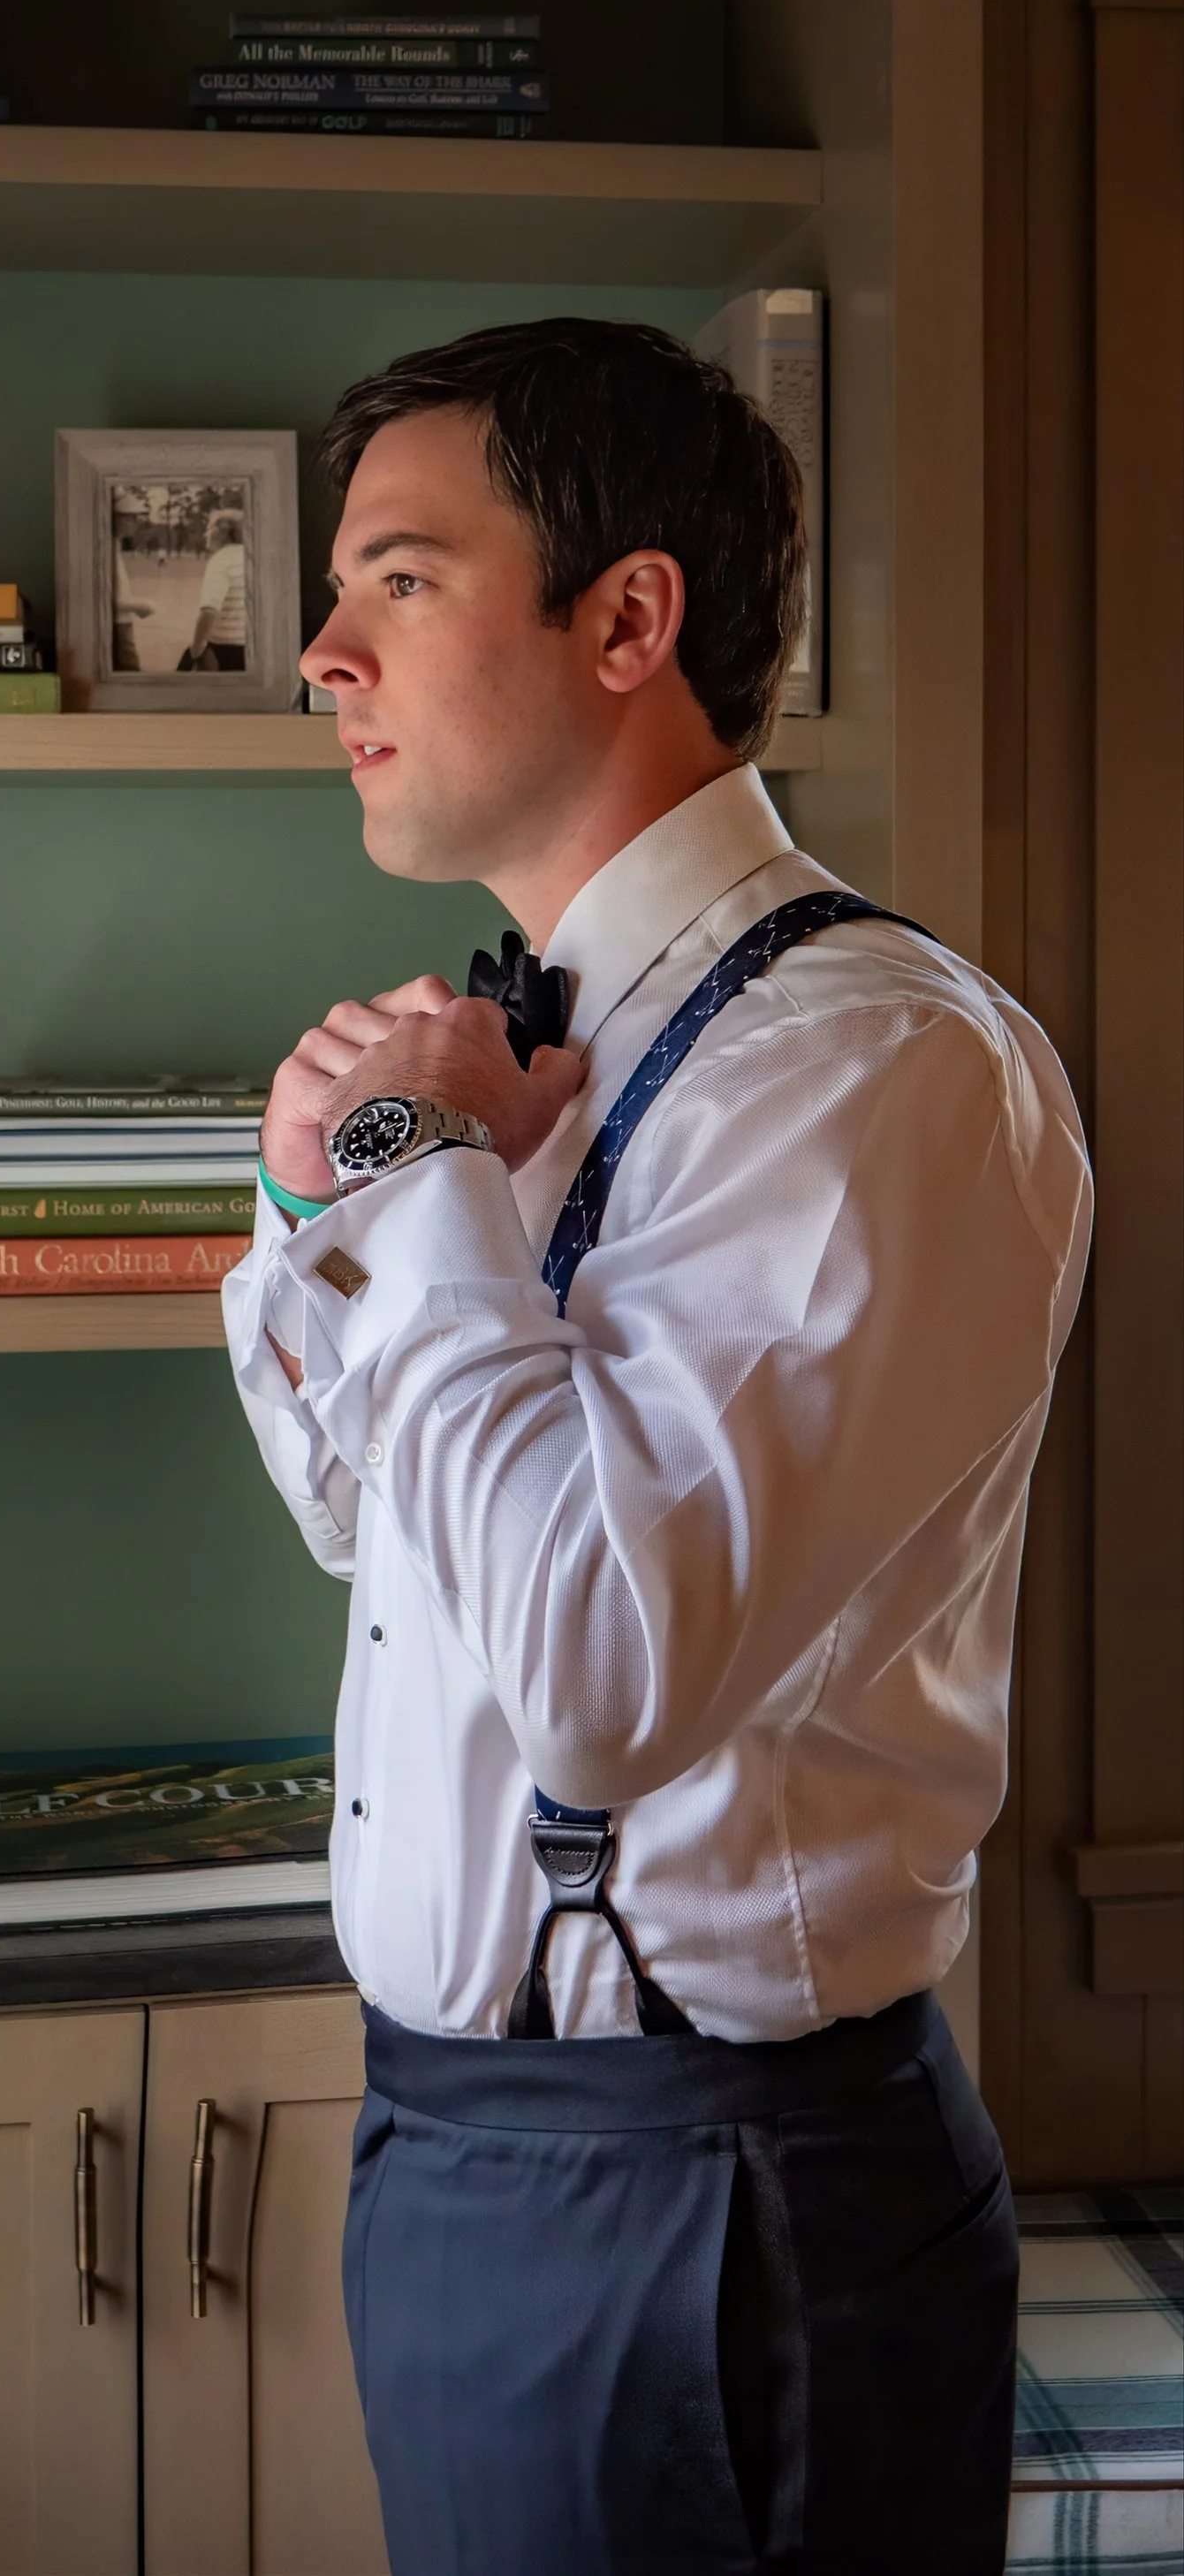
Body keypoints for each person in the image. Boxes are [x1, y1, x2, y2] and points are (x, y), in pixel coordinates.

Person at [222, 319, 1089, 2576]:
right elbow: (365, 1525)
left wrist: (412, 1177)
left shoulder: (871, 1068)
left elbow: (601, 1680)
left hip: (709, 2207)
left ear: (628, 619)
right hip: (467, 2158)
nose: (320, 653)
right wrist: (334, 1202)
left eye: (396, 581)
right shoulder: (525, 1046)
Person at [186, 505, 248, 669]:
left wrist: (196, 648)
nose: (206, 534)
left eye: (209, 529)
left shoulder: (221, 561)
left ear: (222, 533)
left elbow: (209, 610)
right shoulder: (252, 557)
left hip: (223, 649)